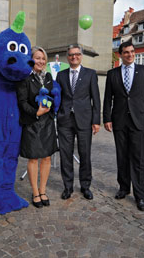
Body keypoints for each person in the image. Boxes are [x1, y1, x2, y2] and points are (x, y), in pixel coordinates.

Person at [103, 39, 144, 211]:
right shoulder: (112, 74)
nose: (130, 54)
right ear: (121, 55)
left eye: (132, 51)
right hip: (119, 121)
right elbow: (107, 99)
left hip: (139, 121)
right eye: (126, 52)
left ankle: (140, 196)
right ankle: (124, 188)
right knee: (122, 156)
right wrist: (107, 118)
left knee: (138, 158)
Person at [56, 44, 100, 200]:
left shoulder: (90, 74)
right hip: (65, 121)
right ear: (67, 57)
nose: (74, 57)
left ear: (81, 56)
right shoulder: (60, 75)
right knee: (65, 155)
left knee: (85, 154)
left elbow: (96, 98)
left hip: (84, 120)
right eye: (70, 55)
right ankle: (67, 187)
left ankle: (85, 186)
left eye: (76, 54)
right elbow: (57, 97)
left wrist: (96, 121)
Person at [16, 46, 58, 208]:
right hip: (32, 123)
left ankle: (43, 190)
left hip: (47, 123)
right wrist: (36, 112)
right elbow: (22, 103)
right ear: (31, 59)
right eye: (37, 58)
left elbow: (53, 94)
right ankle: (35, 192)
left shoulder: (48, 77)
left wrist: (51, 105)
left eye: (43, 58)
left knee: (46, 157)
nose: (40, 61)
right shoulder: (24, 79)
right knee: (33, 158)